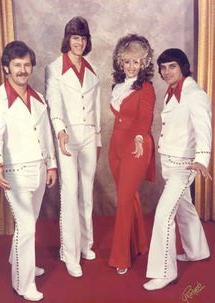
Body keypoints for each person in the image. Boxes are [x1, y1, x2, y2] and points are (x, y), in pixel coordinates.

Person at [0, 41, 57, 301]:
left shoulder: (38, 98)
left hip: (38, 170)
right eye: (17, 65)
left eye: (27, 65)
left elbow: (46, 134)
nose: (23, 70)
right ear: (7, 68)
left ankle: (21, 264)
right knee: (26, 228)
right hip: (14, 173)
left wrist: (51, 164)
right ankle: (23, 284)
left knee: (28, 226)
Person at [143, 48, 211, 291]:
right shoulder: (172, 92)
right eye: (163, 67)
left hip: (185, 164)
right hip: (169, 161)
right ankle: (197, 251)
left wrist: (202, 159)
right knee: (184, 207)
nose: (167, 71)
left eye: (172, 66)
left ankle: (164, 271)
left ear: (182, 66)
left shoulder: (194, 93)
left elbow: (204, 126)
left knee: (164, 214)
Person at [45, 16, 101, 278]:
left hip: (89, 135)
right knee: (70, 193)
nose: (79, 42)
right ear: (67, 39)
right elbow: (53, 101)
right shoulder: (54, 68)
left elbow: (97, 108)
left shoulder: (92, 69)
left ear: (87, 41)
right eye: (75, 37)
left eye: (83, 38)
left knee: (87, 193)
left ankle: (85, 244)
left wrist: (98, 139)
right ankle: (70, 255)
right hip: (67, 137)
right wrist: (60, 129)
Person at [108, 34, 155, 275]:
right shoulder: (116, 86)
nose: (131, 66)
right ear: (120, 62)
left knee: (124, 201)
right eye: (127, 61)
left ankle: (121, 258)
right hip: (115, 146)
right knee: (129, 196)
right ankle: (142, 244)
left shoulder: (146, 88)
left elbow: (145, 116)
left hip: (137, 146)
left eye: (136, 61)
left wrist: (138, 137)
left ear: (144, 63)